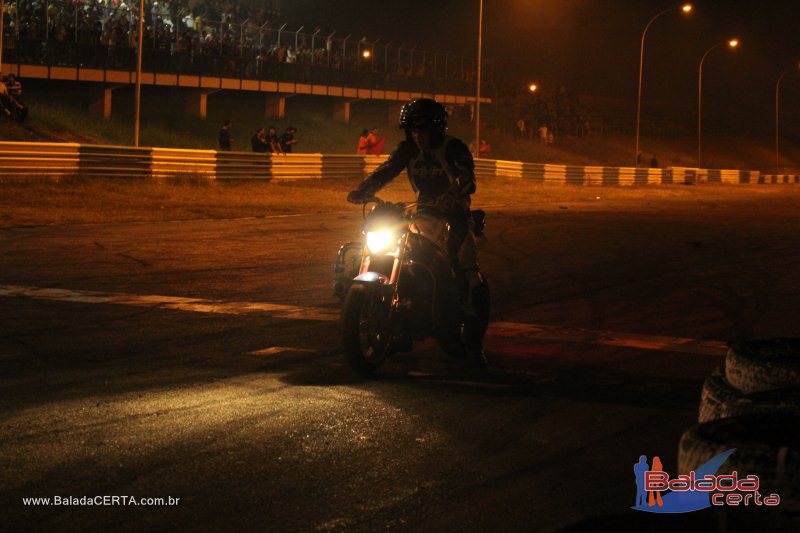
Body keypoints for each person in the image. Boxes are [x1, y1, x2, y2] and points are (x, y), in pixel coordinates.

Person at [346, 98, 488, 363]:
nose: (417, 135)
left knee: (466, 269)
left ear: (436, 129)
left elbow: (467, 178)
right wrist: (365, 189)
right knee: (399, 252)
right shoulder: (408, 149)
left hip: (454, 215)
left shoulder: (453, 148)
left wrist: (453, 193)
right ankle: (399, 316)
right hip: (422, 213)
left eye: (421, 130)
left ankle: (474, 340)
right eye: (412, 130)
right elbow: (387, 170)